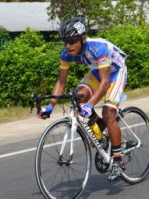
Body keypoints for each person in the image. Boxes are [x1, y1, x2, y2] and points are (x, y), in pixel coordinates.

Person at [36, 17, 128, 181]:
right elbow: (61, 82)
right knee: (77, 97)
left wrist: (91, 104)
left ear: (82, 39)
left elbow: (106, 82)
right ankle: (99, 131)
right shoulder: (66, 53)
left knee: (108, 113)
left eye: (72, 41)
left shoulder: (97, 48)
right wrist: (50, 107)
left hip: (116, 72)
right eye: (65, 42)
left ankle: (118, 160)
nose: (68, 46)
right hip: (98, 71)